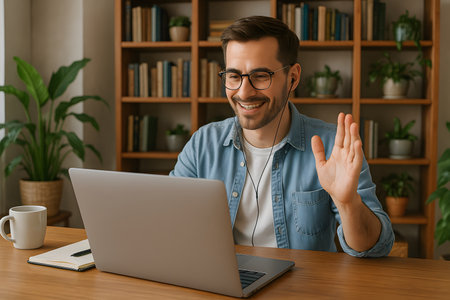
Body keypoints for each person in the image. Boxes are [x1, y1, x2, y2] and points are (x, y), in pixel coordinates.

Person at [170, 16, 394, 257]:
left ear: (293, 78)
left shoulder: (332, 147)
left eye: (261, 76)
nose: (244, 93)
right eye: (234, 76)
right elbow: (168, 222)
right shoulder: (203, 144)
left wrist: (348, 203)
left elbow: (376, 248)